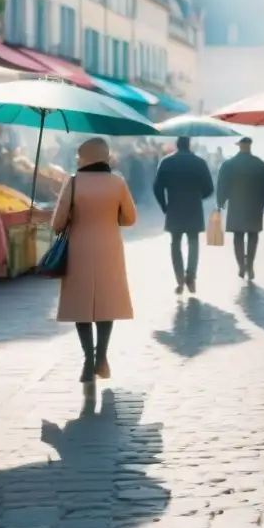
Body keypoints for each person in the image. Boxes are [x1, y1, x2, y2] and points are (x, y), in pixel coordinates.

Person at [52, 137, 137, 383]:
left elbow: (58, 224)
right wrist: (111, 216)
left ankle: (88, 358)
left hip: (80, 249)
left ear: (84, 157)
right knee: (106, 303)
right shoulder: (118, 183)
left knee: (81, 305)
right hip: (110, 248)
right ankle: (102, 356)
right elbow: (130, 219)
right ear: (106, 156)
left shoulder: (74, 183)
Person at [153, 136, 214, 294]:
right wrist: (198, 197)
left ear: (176, 145)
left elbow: (157, 187)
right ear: (190, 145)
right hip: (194, 206)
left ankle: (179, 278)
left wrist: (164, 206)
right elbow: (209, 187)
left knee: (175, 242)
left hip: (174, 206)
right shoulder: (199, 163)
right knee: (193, 242)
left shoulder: (166, 162)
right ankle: (191, 276)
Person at [216, 137, 264, 280]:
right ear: (250, 146)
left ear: (239, 146)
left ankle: (241, 265)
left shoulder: (229, 164)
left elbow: (222, 185)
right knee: (253, 235)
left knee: (238, 236)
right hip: (254, 206)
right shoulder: (260, 164)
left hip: (236, 205)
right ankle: (250, 266)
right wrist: (261, 202)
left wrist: (220, 202)